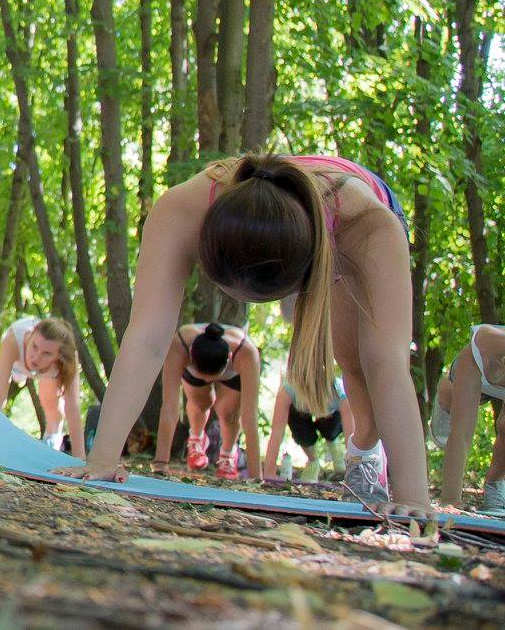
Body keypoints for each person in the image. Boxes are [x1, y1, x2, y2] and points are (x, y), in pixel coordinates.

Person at [61, 155, 426, 514]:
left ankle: (365, 450)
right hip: (299, 222)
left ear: (304, 280)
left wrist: (412, 497)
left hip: (350, 217)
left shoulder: (367, 225)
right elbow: (147, 337)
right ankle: (366, 455)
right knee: (355, 361)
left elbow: (387, 362)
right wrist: (103, 457)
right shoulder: (181, 209)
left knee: (356, 361)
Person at [150, 323, 262, 480]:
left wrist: (256, 478)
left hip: (233, 372)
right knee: (201, 403)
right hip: (197, 364)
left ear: (229, 357)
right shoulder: (179, 346)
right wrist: (160, 464)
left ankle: (228, 456)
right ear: (190, 355)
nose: (209, 381)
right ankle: (196, 439)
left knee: (228, 412)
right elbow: (170, 408)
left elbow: (249, 418)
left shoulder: (246, 352)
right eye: (204, 378)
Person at [0, 316, 86, 458]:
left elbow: (72, 408)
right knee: (0, 398)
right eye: (34, 347)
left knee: (51, 405)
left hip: (48, 373)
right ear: (31, 334)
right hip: (17, 365)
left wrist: (80, 460)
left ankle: (51, 446)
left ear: (59, 356)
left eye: (47, 353)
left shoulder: (68, 360)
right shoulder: (13, 340)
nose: (36, 357)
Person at [431, 324, 505, 514]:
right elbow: (461, 435)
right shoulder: (477, 352)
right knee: (454, 409)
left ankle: (495, 486)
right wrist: (450, 501)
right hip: (476, 367)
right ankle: (444, 392)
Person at [266, 374, 346, 483]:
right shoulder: (289, 389)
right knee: (302, 432)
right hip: (299, 411)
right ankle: (313, 463)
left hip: (332, 415)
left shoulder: (340, 393)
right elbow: (276, 433)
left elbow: (351, 433)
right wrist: (268, 478)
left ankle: (338, 457)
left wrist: (352, 469)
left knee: (330, 430)